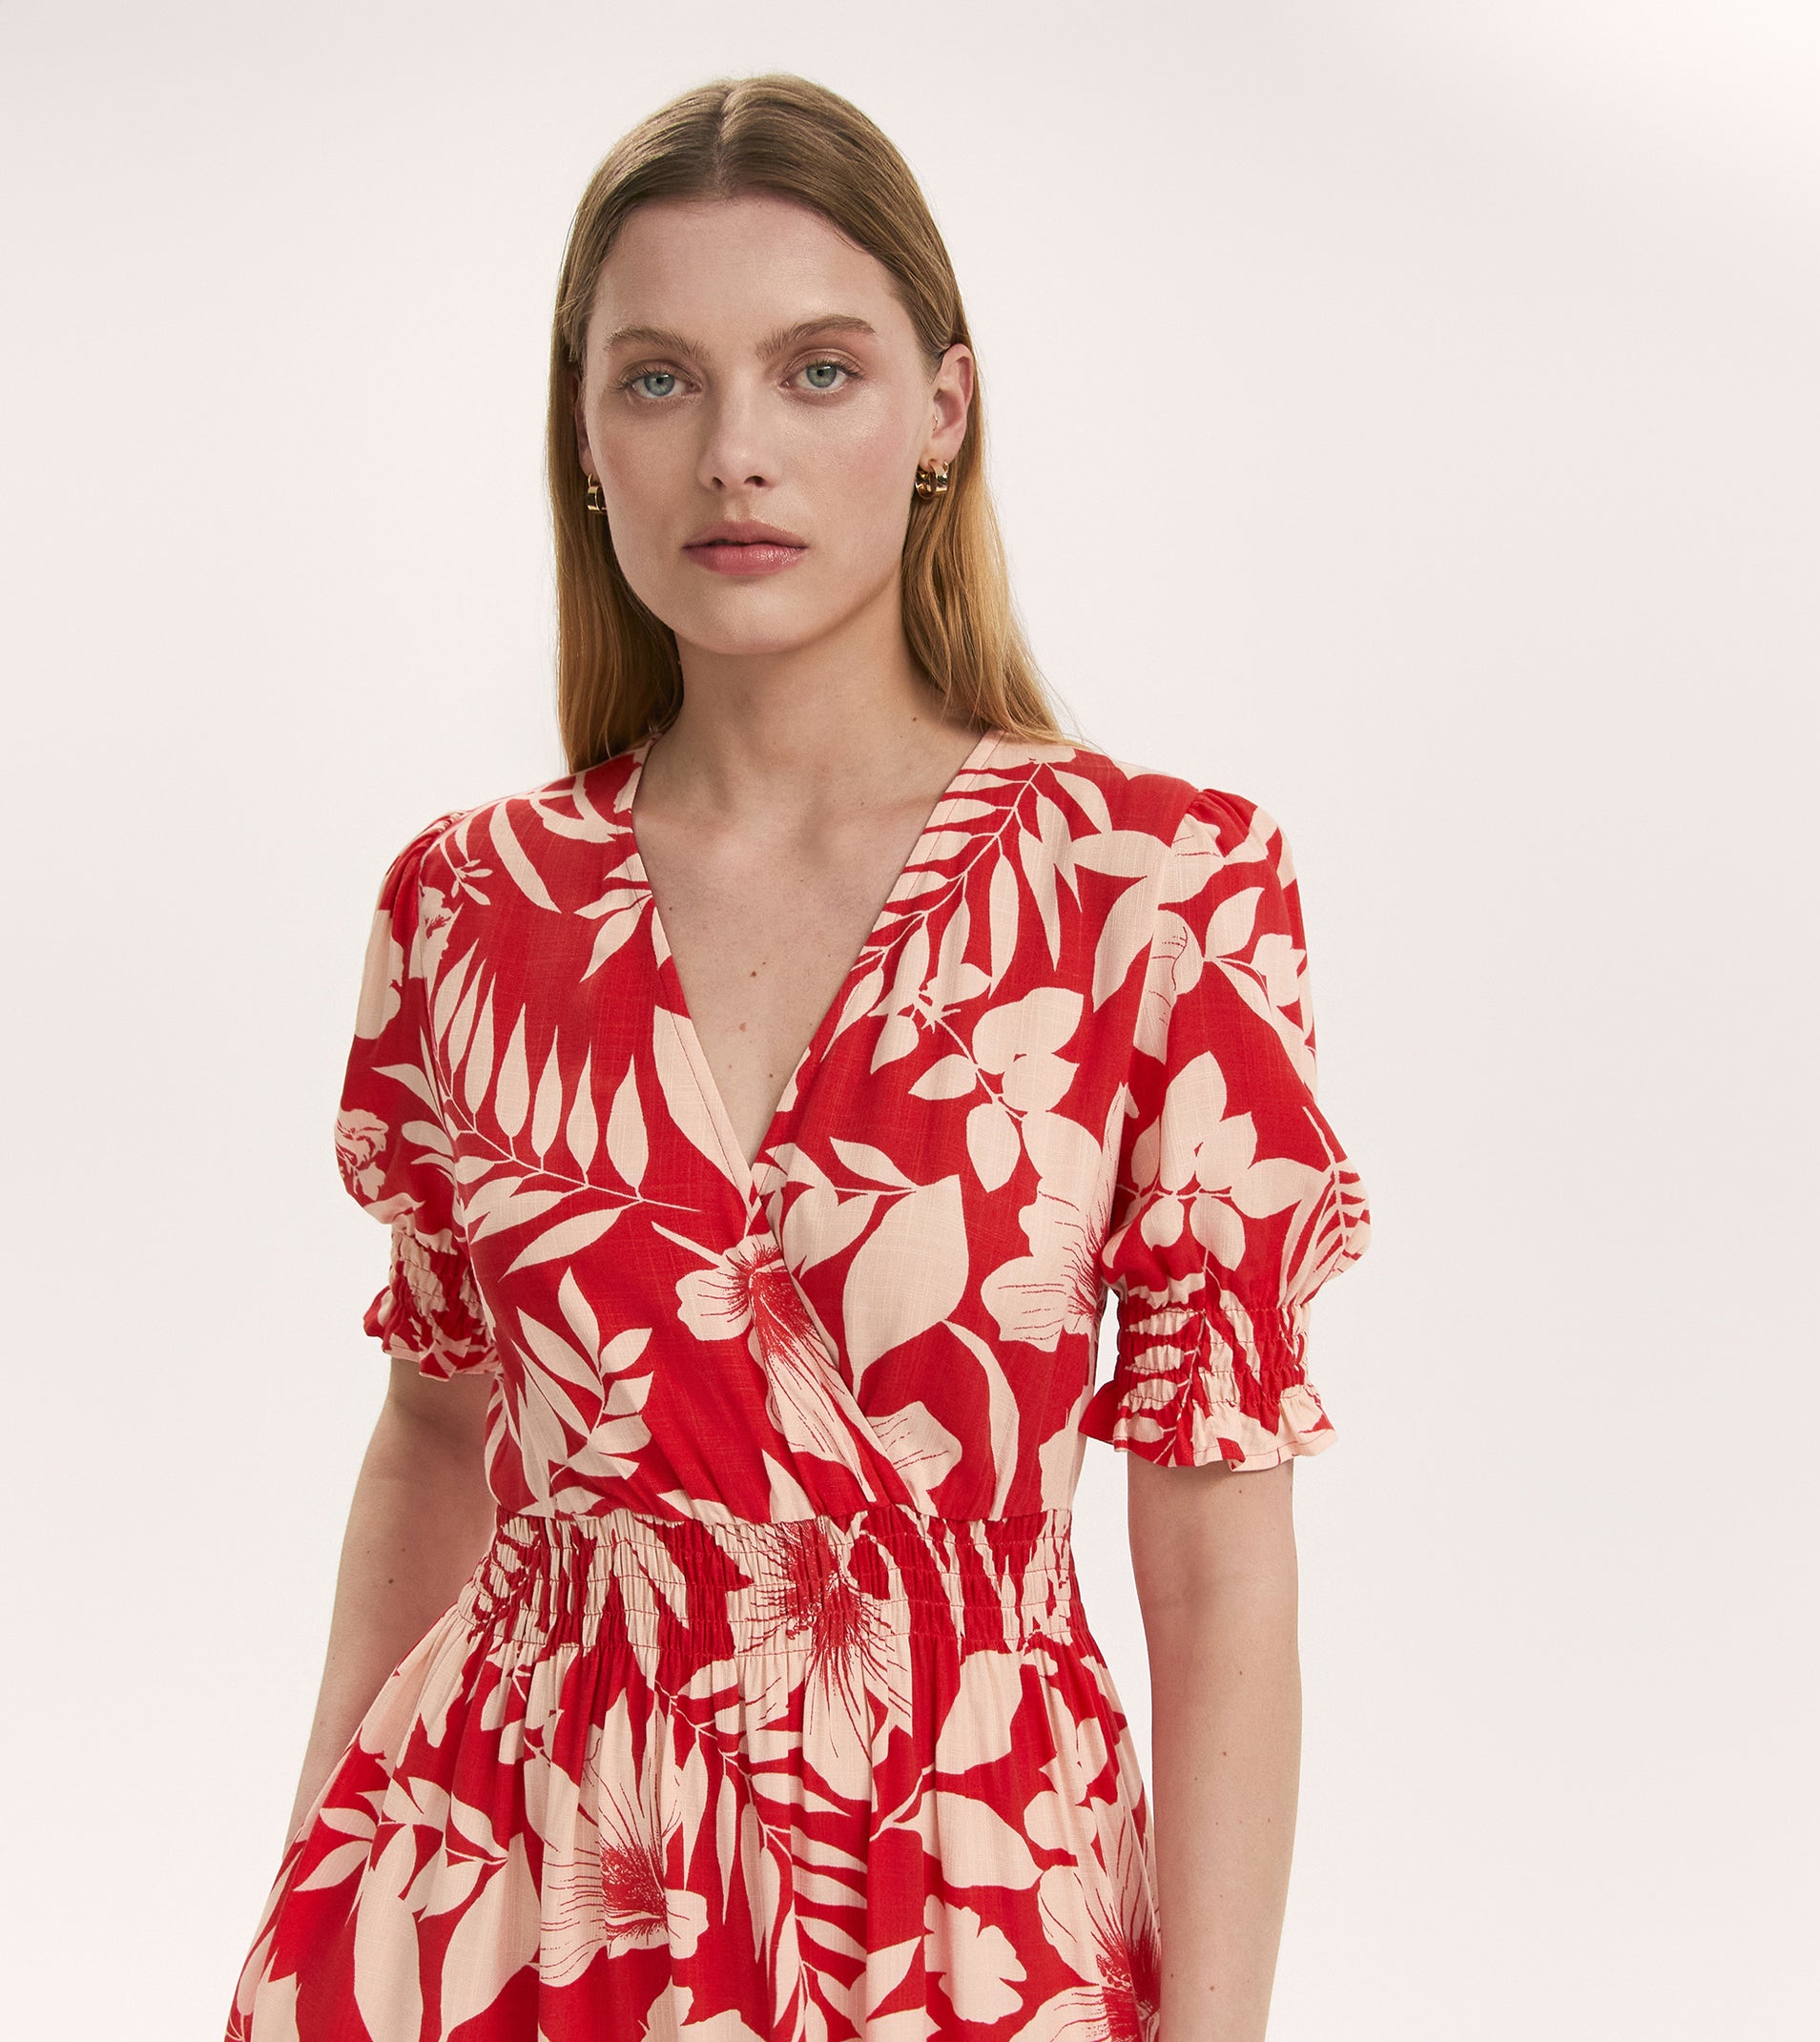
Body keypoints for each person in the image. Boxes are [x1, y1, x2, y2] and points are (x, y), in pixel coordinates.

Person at [224, 71, 1373, 2042]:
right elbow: (434, 1432)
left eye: (815, 372)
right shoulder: (469, 908)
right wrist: (306, 1892)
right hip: (500, 1906)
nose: (733, 452)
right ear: (582, 439)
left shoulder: (1148, 896)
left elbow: (1218, 1557)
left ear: (942, 412)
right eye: (657, 380)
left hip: (959, 1909)